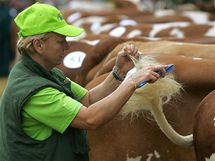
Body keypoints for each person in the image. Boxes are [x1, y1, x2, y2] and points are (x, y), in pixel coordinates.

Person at [0, 2, 168, 161]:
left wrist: (119, 72)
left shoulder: (44, 73)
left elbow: (88, 99)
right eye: (61, 41)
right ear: (38, 45)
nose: (66, 47)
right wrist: (132, 82)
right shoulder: (35, 92)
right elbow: (90, 119)